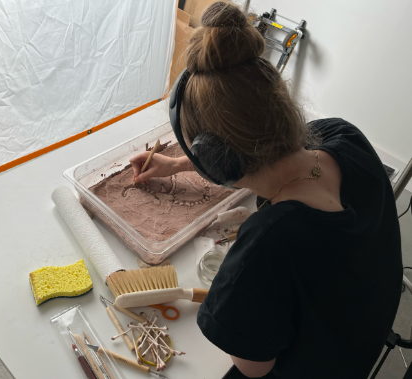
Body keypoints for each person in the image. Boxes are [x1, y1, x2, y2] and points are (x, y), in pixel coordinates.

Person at [129, 1, 403, 378]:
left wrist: (243, 285)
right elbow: (264, 152)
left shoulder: (269, 240)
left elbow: (254, 367)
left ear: (214, 160)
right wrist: (178, 163)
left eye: (195, 154)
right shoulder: (344, 136)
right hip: (364, 329)